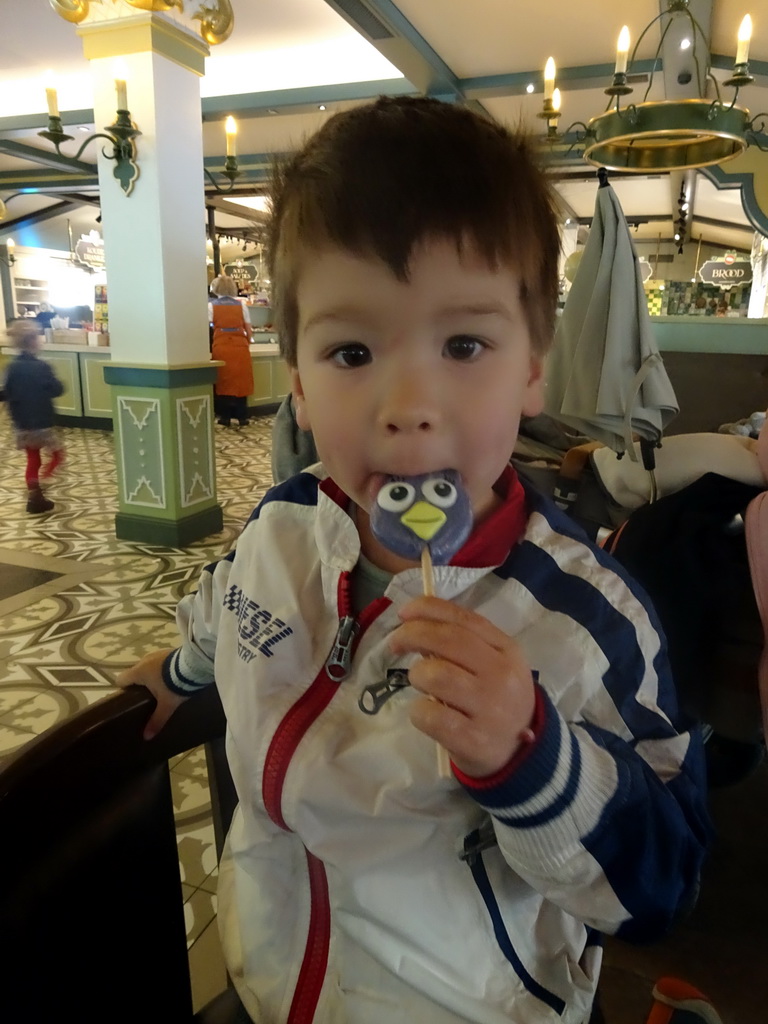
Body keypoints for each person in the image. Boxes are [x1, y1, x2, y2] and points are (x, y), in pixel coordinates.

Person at [118, 97, 710, 1024]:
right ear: (301, 385)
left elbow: (665, 884)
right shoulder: (284, 522)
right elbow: (228, 605)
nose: (409, 403)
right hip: (268, 977)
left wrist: (535, 760)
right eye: (352, 350)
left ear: (531, 368)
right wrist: (176, 669)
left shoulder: (588, 625)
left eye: (464, 344)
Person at [3, 319, 65, 514]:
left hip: (22, 424)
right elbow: (56, 389)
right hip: (42, 423)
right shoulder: (42, 367)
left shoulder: (11, 368)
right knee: (57, 454)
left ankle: (35, 495)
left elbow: (6, 392)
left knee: (33, 459)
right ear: (32, 341)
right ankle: (45, 479)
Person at [209, 273, 253, 426]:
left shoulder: (211, 306)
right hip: (240, 345)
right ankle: (242, 416)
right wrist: (247, 341)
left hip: (221, 345)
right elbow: (249, 329)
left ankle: (225, 416)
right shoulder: (241, 305)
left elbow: (207, 327)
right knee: (241, 381)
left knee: (224, 381)